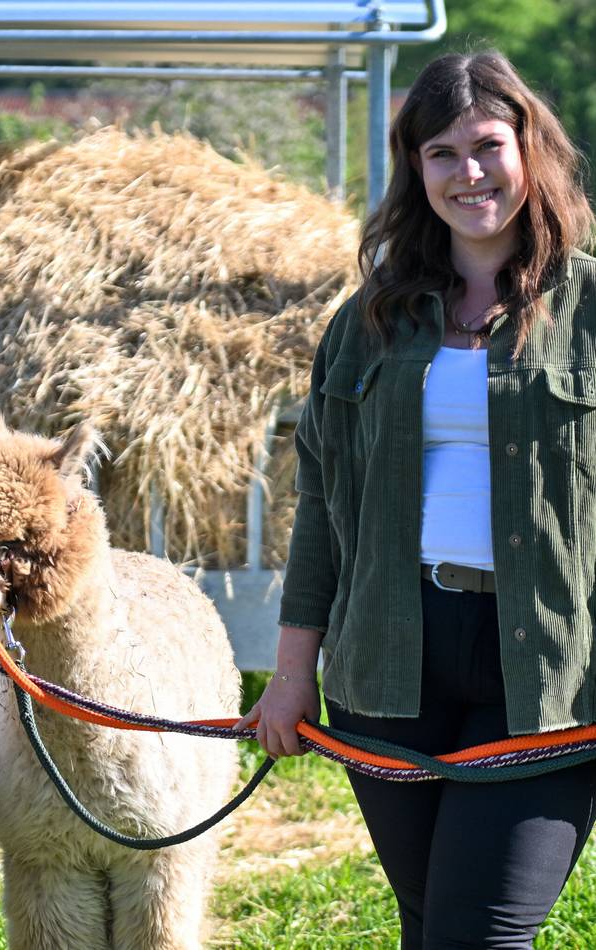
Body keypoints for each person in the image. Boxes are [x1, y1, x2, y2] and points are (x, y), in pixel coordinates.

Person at [236, 50, 596, 949]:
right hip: (390, 662)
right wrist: (289, 677)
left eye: (487, 145)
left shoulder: (590, 306)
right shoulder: (370, 322)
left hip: (549, 669)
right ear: (414, 169)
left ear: (530, 150)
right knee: (431, 922)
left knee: (477, 935)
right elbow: (320, 503)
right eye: (441, 152)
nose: (467, 173)